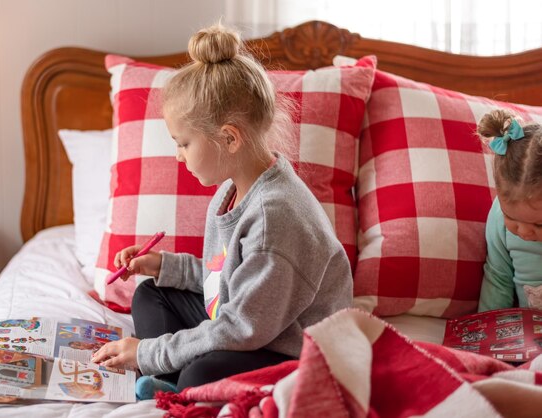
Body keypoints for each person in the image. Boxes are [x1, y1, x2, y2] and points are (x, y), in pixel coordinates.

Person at [91, 23, 353, 399]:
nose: (178, 156)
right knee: (151, 293)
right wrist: (166, 266)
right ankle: (171, 377)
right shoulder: (233, 191)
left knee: (200, 373)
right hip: (256, 322)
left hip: (293, 350)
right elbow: (226, 282)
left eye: (183, 143)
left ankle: (176, 381)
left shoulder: (273, 218)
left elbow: (242, 326)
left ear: (229, 138)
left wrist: (148, 352)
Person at [477, 109, 542, 312]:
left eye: (539, 224)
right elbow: (498, 279)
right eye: (510, 217)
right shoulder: (497, 218)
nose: (523, 232)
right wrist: (487, 329)